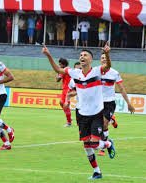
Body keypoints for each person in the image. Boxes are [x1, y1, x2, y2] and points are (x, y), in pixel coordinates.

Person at [42, 43, 115, 180]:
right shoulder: (74, 73)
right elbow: (58, 69)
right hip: (81, 114)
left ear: (91, 59)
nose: (82, 57)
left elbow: (108, 66)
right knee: (86, 145)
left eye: (85, 55)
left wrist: (108, 54)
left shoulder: (97, 71)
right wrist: (48, 55)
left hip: (97, 113)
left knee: (93, 143)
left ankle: (108, 144)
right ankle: (97, 171)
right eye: (81, 55)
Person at [98, 52, 135, 156]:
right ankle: (112, 120)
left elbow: (122, 89)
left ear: (109, 60)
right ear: (100, 60)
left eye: (105, 58)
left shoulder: (114, 73)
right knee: (98, 125)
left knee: (104, 124)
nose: (104, 59)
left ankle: (104, 148)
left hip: (109, 102)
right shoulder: (96, 71)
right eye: (102, 58)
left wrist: (128, 103)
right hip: (97, 102)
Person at [56, 58, 72, 127]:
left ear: (64, 64)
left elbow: (57, 79)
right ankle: (69, 118)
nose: (59, 65)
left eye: (60, 64)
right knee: (61, 103)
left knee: (65, 104)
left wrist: (58, 72)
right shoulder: (67, 69)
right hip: (65, 89)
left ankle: (69, 122)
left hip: (67, 89)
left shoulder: (64, 70)